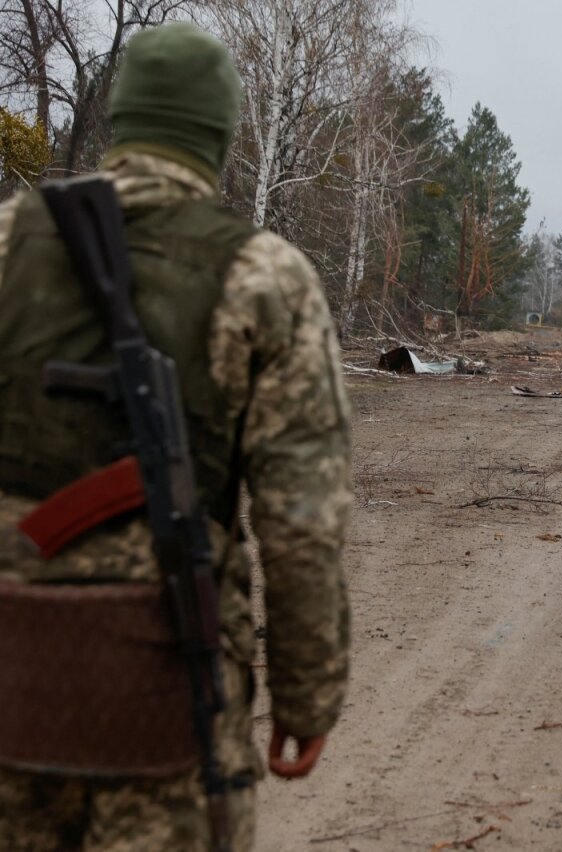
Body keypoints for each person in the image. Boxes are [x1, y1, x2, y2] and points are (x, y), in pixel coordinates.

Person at [0, 22, 352, 851]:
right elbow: (303, 522)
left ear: (121, 117)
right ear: (220, 136)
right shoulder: (265, 277)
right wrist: (306, 697)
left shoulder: (8, 241)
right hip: (163, 693)